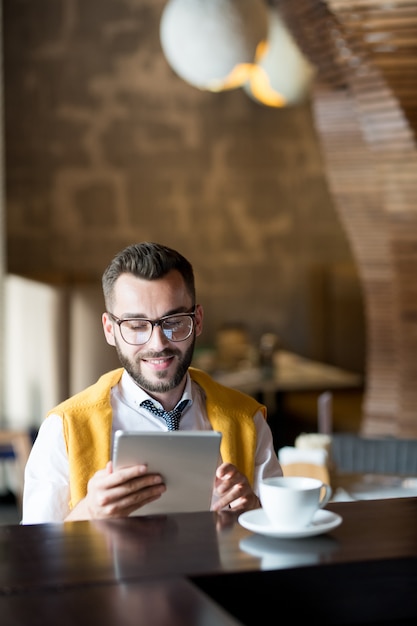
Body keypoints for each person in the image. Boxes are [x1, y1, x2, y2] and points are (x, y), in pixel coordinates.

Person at [22, 242, 282, 523]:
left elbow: (281, 537)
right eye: (136, 326)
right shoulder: (64, 428)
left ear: (197, 321)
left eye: (174, 321)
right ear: (110, 330)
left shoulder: (247, 419)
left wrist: (254, 510)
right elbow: (36, 556)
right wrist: (90, 512)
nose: (158, 344)